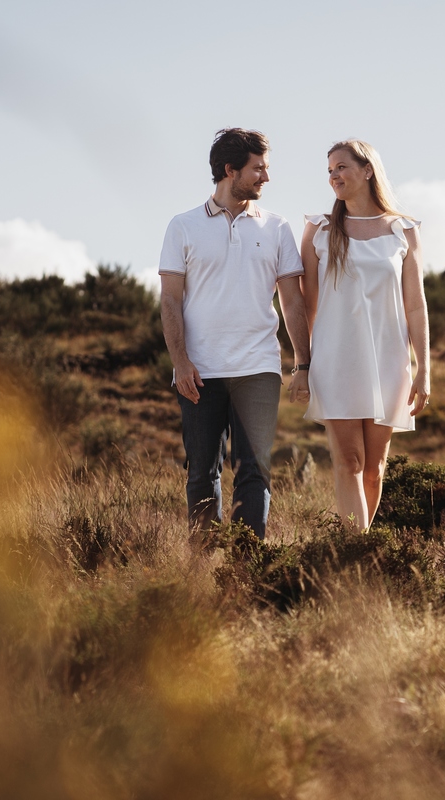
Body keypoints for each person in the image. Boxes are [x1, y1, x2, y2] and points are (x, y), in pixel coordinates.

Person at [159, 128, 311, 541]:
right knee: (202, 471)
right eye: (257, 168)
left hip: (258, 369)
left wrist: (303, 364)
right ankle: (203, 568)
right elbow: (170, 301)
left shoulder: (277, 228)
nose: (266, 177)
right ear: (230, 171)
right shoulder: (183, 226)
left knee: (254, 470)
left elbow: (292, 303)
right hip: (199, 371)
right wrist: (181, 362)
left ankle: (247, 568)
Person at [300, 139, 430, 530]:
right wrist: (303, 364)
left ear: (367, 170)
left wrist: (424, 367)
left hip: (389, 360)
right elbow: (306, 305)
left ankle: (361, 546)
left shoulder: (402, 231)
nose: (334, 176)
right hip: (336, 358)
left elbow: (416, 305)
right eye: (329, 171)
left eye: (341, 167)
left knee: (374, 468)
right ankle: (358, 555)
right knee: (349, 462)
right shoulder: (318, 230)